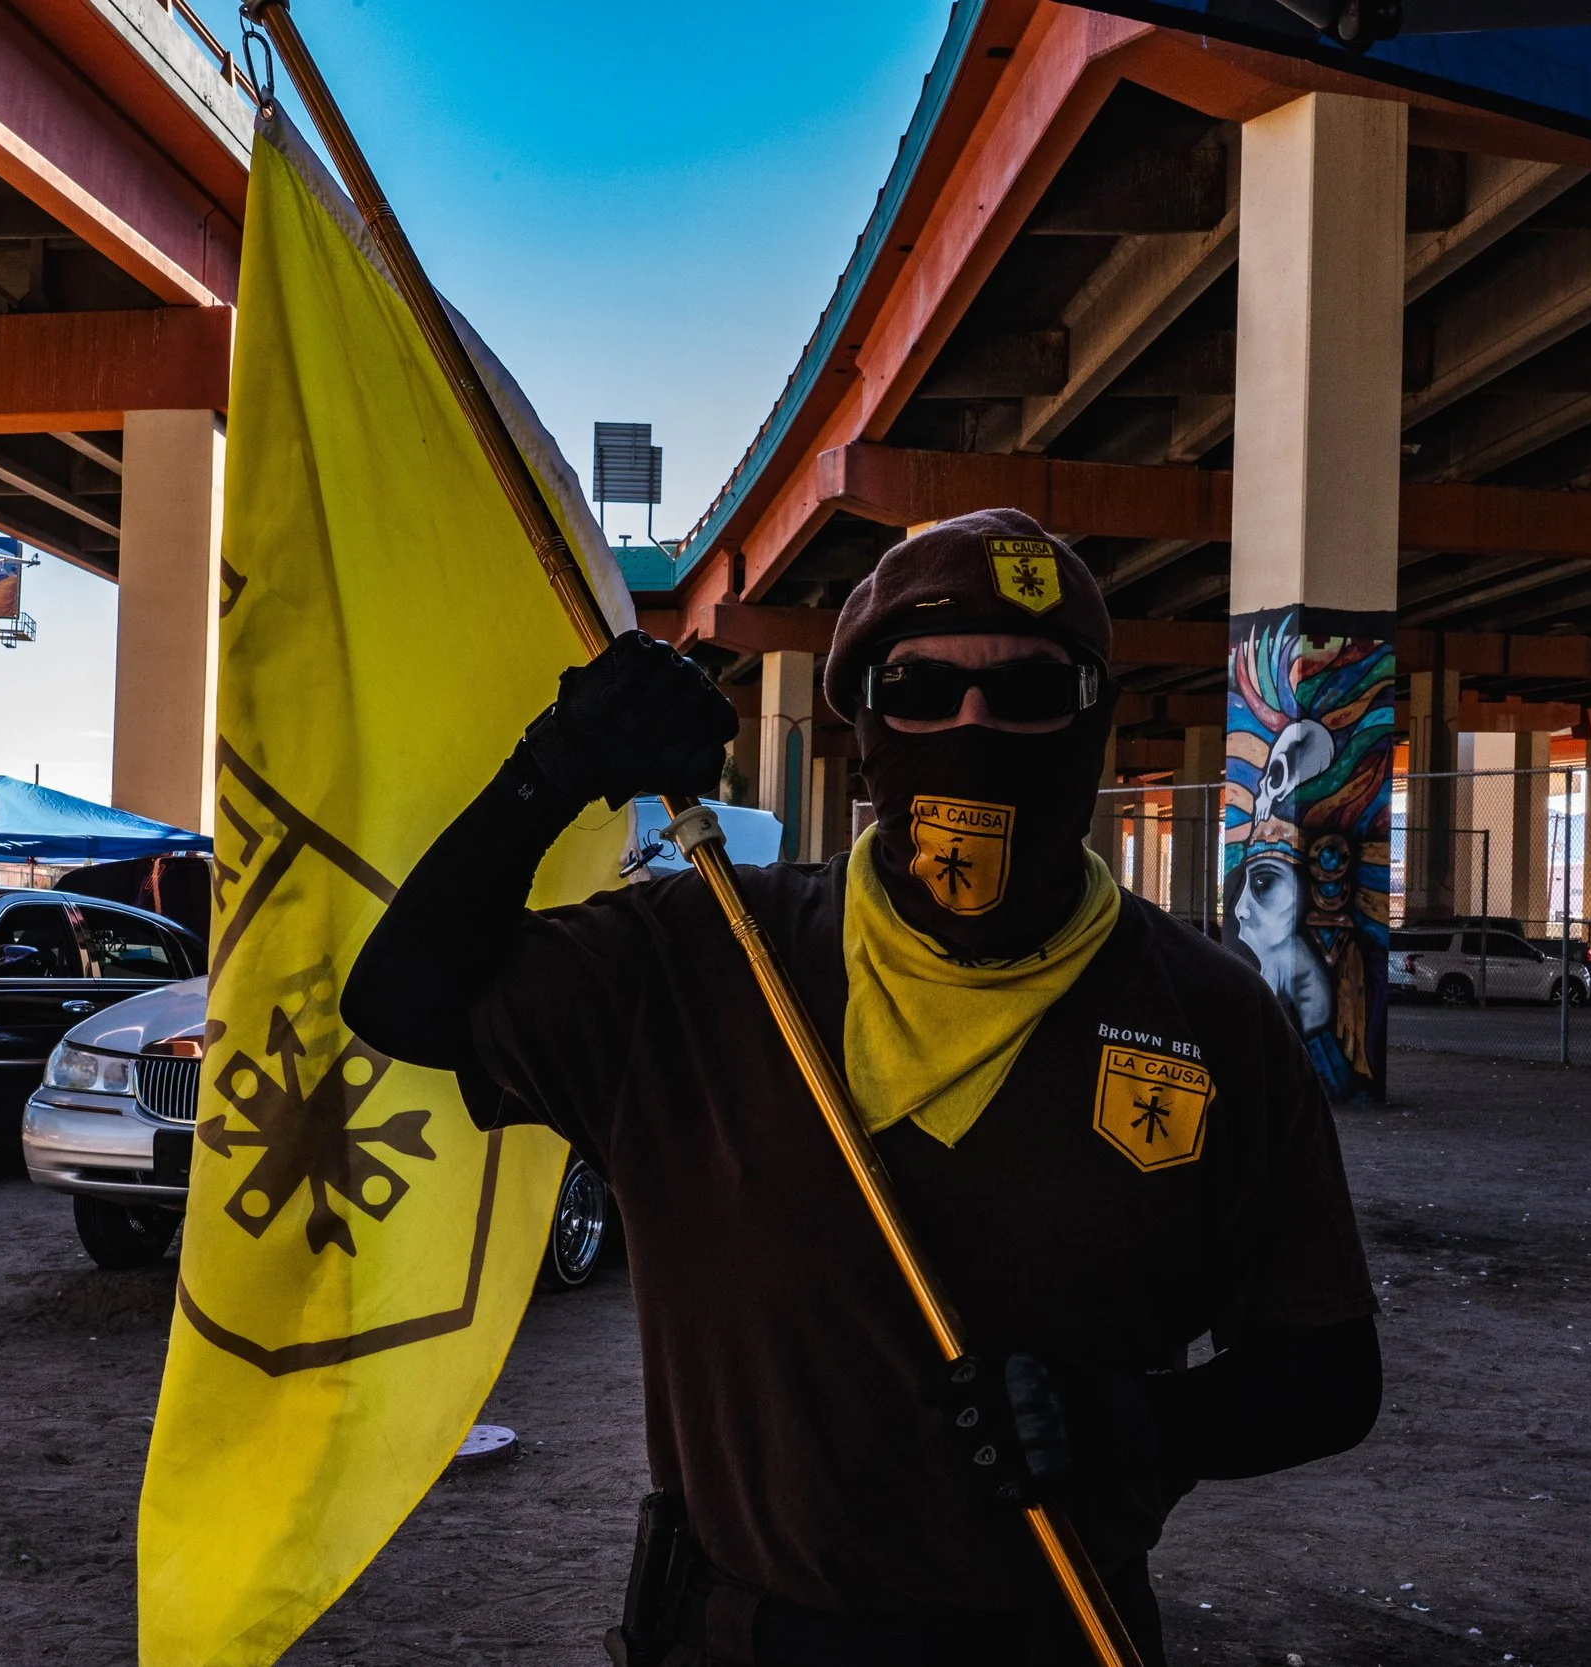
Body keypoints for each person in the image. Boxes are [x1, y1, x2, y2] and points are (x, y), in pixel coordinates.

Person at [344, 511, 1379, 1667]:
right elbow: (402, 1000)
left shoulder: (1212, 1017)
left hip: (1055, 1637)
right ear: (866, 718)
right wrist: (551, 769)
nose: (972, 728)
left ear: (1093, 718)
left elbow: (1328, 1372)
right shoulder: (702, 955)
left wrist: (1134, 1420)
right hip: (734, 1639)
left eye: (1030, 689)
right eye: (921, 688)